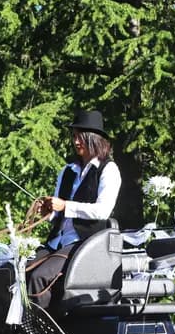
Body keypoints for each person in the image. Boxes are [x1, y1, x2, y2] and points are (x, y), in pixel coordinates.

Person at [26, 109, 122, 310]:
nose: (76, 141)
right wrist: (49, 212)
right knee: (20, 271)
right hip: (57, 242)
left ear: (94, 139)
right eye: (74, 136)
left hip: (84, 244)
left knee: (38, 277)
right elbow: (58, 214)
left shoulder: (109, 170)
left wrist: (65, 206)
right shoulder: (67, 171)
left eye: (80, 137)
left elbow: (102, 211)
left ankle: (43, 327)